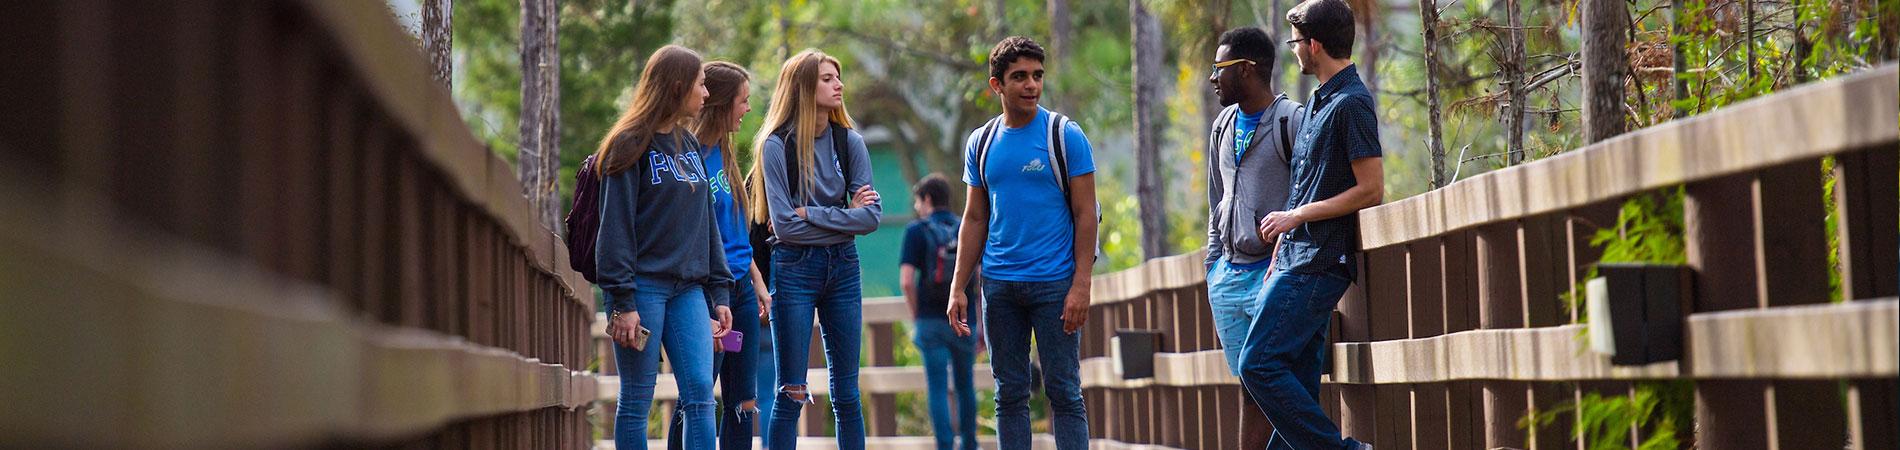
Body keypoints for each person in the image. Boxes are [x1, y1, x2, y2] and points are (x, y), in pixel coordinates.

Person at [1242, 1, 1385, 448]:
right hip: (1294, 256)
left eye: (1296, 42)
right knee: (1299, 384)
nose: (1294, 50)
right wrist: (1281, 248)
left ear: (1315, 45)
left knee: (1257, 364)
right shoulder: (1318, 103)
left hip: (1320, 261)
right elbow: (1306, 186)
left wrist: (1298, 217)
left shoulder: (1352, 103)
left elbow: (1371, 189)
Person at [945, 36, 1095, 450]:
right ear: (997, 85)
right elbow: (975, 217)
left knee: (1064, 392)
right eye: (1020, 77)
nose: (1031, 85)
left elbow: (1086, 214)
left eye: (1037, 76)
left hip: (1055, 284)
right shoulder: (981, 142)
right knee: (1009, 394)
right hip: (999, 286)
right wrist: (958, 286)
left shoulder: (1064, 135)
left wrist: (1081, 284)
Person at [596, 44, 736, 450]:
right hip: (642, 288)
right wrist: (622, 301)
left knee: (701, 394)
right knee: (637, 398)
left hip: (688, 289)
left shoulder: (688, 144)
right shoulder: (628, 144)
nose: (706, 94)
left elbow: (706, 225)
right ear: (677, 87)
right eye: (700, 84)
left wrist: (719, 291)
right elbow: (615, 228)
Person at [749, 48, 882, 450]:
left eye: (837, 77)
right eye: (827, 79)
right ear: (803, 88)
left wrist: (811, 214)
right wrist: (843, 217)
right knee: (791, 391)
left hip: (844, 268)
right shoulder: (776, 146)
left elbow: (871, 218)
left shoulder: (850, 141)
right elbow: (784, 227)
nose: (838, 85)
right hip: (793, 270)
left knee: (847, 394)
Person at [1203, 26, 1306, 450]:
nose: (1213, 78)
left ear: (1246, 69)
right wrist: (1213, 266)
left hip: (1273, 275)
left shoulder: (1292, 121)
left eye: (1219, 68)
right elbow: (1216, 198)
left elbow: (1308, 196)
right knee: (1249, 386)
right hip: (1228, 275)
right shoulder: (1222, 125)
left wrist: (1285, 263)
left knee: (1277, 382)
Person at [663, 60, 774, 450]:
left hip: (741, 290)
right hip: (709, 293)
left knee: (743, 401)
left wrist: (758, 282)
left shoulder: (726, 154)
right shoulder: (686, 155)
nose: (747, 109)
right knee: (696, 398)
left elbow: (737, 231)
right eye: (742, 101)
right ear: (721, 103)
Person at [900, 173, 981, 450]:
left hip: (930, 319)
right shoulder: (966, 227)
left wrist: (916, 315)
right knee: (965, 384)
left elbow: (907, 281)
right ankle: (969, 443)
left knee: (937, 386)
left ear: (928, 199)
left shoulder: (916, 231)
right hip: (965, 318)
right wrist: (979, 321)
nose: (917, 207)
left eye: (918, 201)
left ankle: (945, 445)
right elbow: (979, 277)